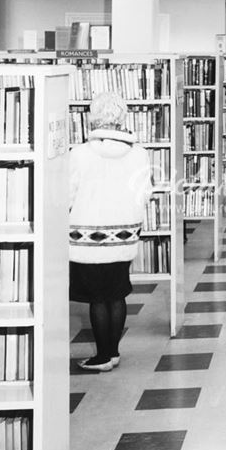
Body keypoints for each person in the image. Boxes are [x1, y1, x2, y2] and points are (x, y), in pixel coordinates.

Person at [69, 92, 153, 372]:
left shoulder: (79, 155)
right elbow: (144, 194)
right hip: (123, 235)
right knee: (117, 294)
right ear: (122, 117)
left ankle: (102, 356)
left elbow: (67, 196)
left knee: (96, 298)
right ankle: (113, 352)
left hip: (87, 239)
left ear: (93, 117)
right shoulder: (139, 154)